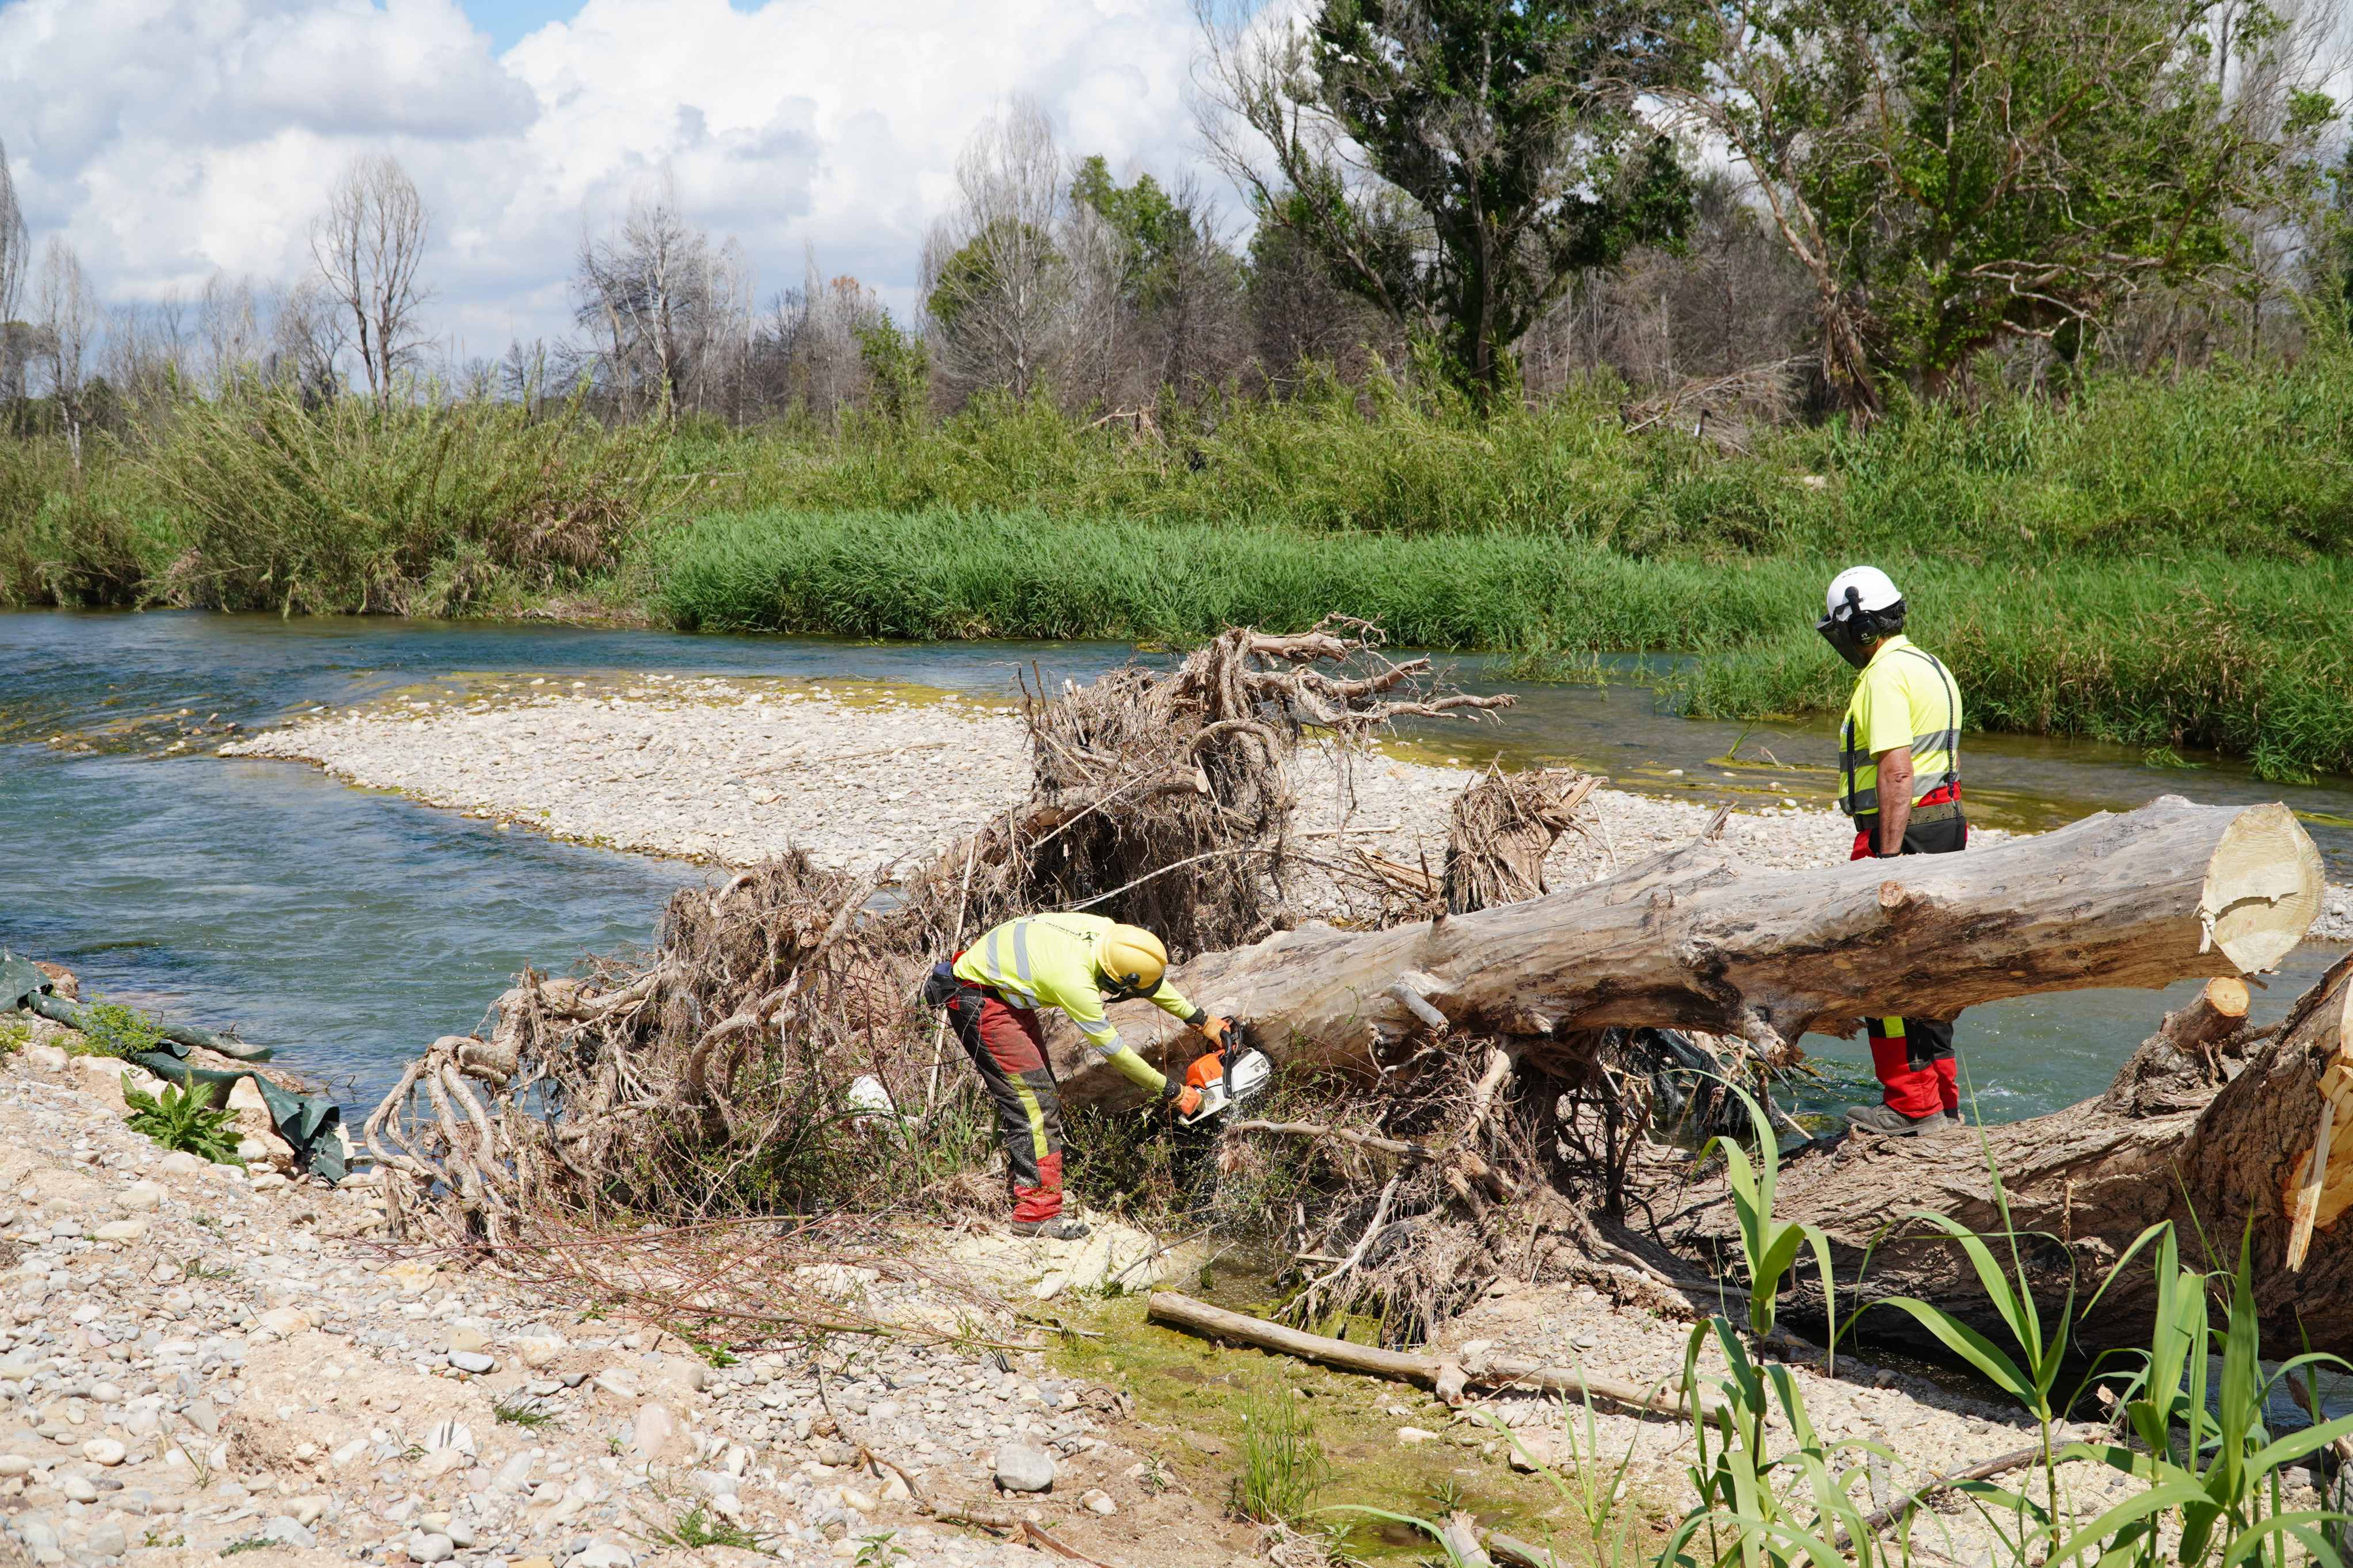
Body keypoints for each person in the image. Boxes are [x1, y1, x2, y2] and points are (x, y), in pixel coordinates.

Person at [924, 914, 1233, 1239]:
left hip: (1004, 990)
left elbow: (1148, 982)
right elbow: (1118, 1054)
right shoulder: (1075, 984)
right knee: (1035, 1104)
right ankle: (1035, 1215)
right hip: (979, 999)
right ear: (1114, 980)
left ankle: (1023, 1180)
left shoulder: (1110, 935)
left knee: (1036, 1095)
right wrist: (1173, 1091)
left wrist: (1200, 1019)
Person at [1819, 565, 1967, 1136]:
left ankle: (1908, 1103)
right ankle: (1943, 1101)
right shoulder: (1931, 666)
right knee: (1932, 971)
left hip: (1901, 830)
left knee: (1880, 972)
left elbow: (1897, 771)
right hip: (1946, 824)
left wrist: (1885, 858)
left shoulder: (1882, 677)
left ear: (1858, 627)